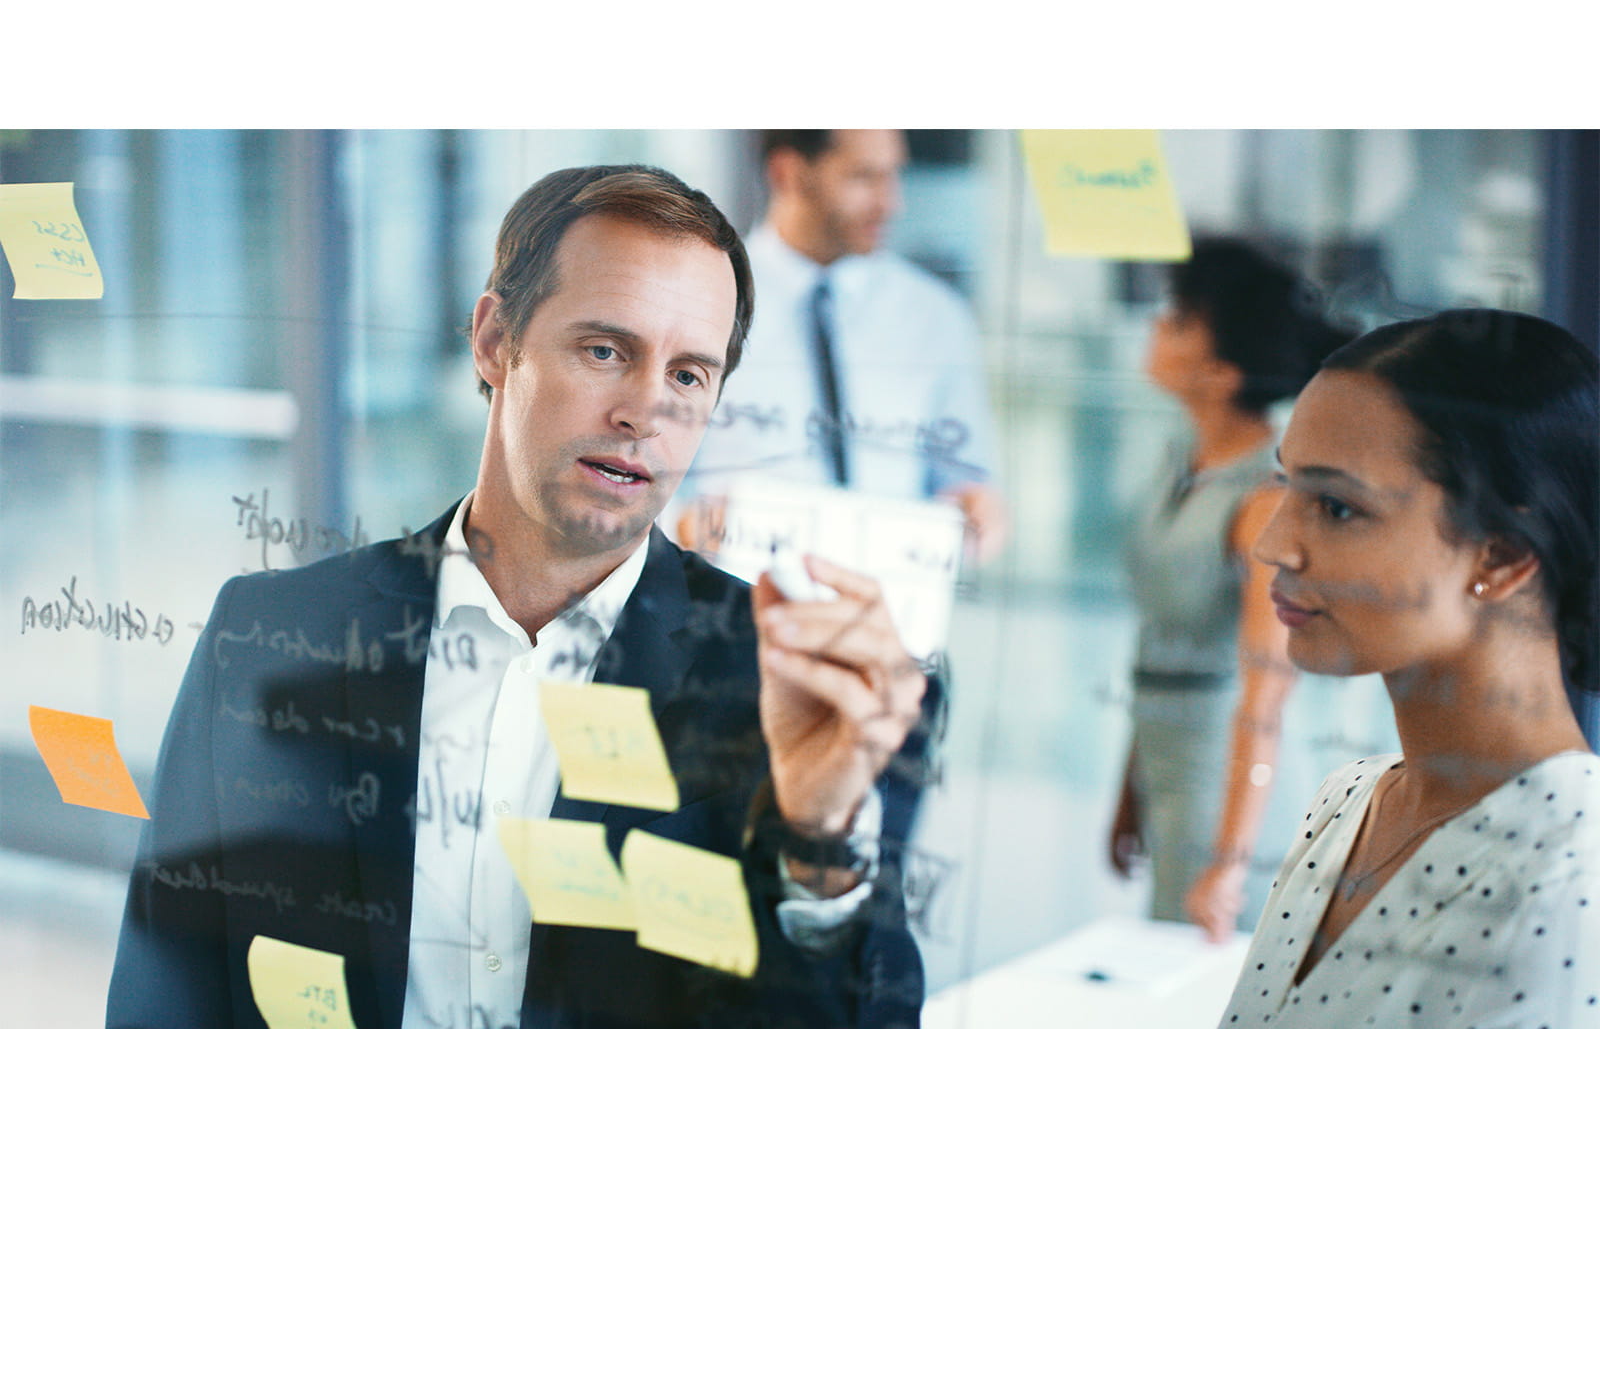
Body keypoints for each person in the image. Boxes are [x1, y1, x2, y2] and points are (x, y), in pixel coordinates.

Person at [106, 165, 929, 1029]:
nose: (645, 407)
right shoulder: (268, 633)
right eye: (606, 350)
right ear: (496, 340)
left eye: (690, 375)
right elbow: (167, 988)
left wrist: (820, 844)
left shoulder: (783, 681)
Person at [1221, 310, 1599, 1027]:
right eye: (1285, 488)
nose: (1273, 545)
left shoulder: (1575, 878)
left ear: (1501, 555)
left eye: (1335, 507)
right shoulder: (1348, 803)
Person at [1110, 237, 1356, 939]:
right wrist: (1128, 792)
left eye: (1178, 320)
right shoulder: (1176, 463)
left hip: (1233, 786)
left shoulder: (1262, 501)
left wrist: (1232, 861)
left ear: (1219, 374)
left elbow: (1267, 690)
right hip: (1167, 764)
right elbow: (1159, 637)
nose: (1157, 326)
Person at [674, 130, 1007, 559]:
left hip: (885, 609)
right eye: (864, 178)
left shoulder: (937, 317)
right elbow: (645, 480)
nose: (891, 203)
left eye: (893, 176)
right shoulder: (701, 299)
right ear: (789, 172)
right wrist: (683, 524)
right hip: (729, 602)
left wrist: (978, 510)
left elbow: (966, 479)